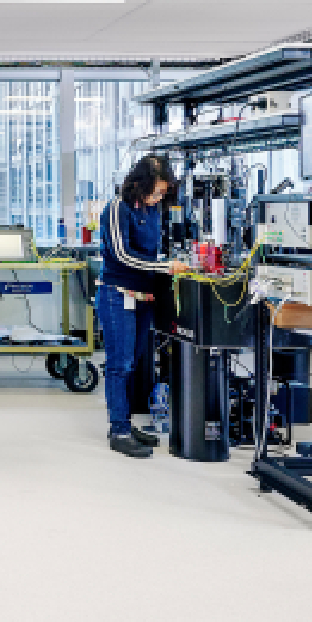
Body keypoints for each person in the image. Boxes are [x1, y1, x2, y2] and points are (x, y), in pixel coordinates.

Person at [96, 157, 188, 458]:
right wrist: (163, 266)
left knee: (132, 363)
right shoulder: (116, 208)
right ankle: (119, 430)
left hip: (142, 295)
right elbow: (123, 255)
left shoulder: (151, 210)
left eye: (163, 193)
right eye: (156, 192)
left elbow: (153, 250)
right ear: (141, 184)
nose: (159, 198)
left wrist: (164, 267)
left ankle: (124, 421)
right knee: (119, 364)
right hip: (117, 293)